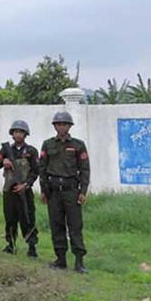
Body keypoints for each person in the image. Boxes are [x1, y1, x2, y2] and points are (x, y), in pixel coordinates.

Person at [39, 111, 91, 273]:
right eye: (58, 124)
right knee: (56, 225)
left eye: (64, 124)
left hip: (71, 191)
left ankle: (79, 261)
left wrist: (83, 191)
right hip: (54, 191)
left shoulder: (78, 145)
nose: (61, 127)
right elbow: (42, 168)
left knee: (75, 226)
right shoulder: (48, 144)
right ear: (55, 126)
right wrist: (43, 191)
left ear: (69, 126)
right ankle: (60, 259)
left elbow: (84, 169)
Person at [0, 120, 39, 257]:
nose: (18, 135)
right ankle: (11, 244)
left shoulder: (31, 151)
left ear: (25, 134)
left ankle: (32, 246)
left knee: (28, 217)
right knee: (10, 218)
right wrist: (3, 161)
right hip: (9, 191)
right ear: (12, 134)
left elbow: (35, 171)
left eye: (21, 132)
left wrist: (26, 185)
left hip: (25, 191)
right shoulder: (6, 149)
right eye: (16, 132)